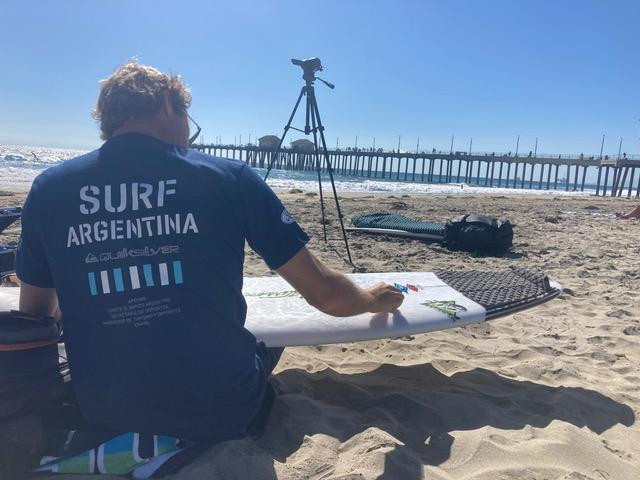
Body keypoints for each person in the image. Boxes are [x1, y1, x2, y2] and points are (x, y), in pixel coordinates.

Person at [15, 63, 404, 443]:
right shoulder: (230, 178)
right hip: (222, 412)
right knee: (267, 343)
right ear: (169, 105)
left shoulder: (49, 188)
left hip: (101, 410)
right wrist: (372, 300)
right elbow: (327, 296)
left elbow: (34, 314)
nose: (189, 138)